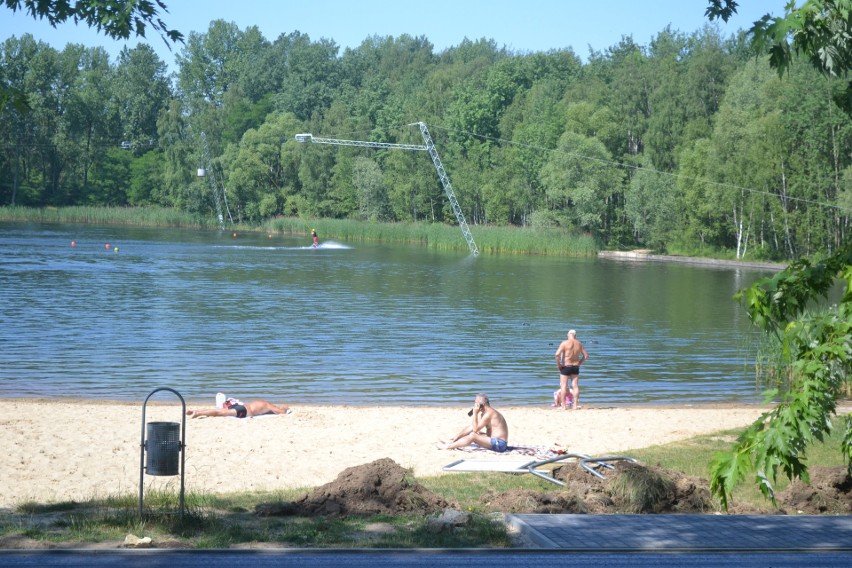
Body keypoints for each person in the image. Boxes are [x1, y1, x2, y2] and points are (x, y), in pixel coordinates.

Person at [437, 394, 509, 452]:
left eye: (475, 404)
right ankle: (452, 440)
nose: (474, 406)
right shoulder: (484, 413)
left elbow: (475, 430)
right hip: (493, 440)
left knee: (473, 435)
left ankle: (447, 447)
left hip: (499, 444)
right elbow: (473, 427)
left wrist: (475, 413)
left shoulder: (489, 414)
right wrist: (456, 437)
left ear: (481, 405)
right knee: (473, 430)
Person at [554, 329, 588, 410]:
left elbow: (557, 354)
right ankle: (575, 406)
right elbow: (586, 356)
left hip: (566, 366)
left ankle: (563, 406)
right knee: (575, 386)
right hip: (575, 367)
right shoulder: (579, 343)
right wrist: (579, 363)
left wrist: (559, 364)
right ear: (575, 336)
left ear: (568, 335)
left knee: (563, 386)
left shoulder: (564, 343)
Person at [186, 399, 291, 419]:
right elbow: (281, 412)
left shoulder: (262, 402)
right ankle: (198, 413)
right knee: (219, 413)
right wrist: (285, 408)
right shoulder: (268, 405)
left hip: (240, 407)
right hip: (243, 411)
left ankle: (196, 410)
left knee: (220, 411)